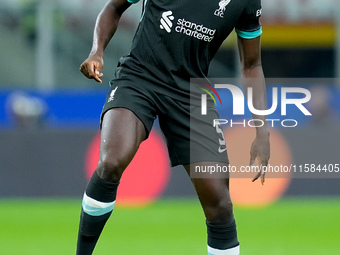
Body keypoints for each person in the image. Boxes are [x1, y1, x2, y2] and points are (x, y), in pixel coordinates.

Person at [77, 0, 270, 254]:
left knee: (220, 204)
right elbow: (114, 7)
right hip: (140, 78)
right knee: (111, 162)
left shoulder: (246, 2)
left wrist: (262, 130)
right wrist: (97, 51)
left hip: (191, 94)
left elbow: (251, 64)